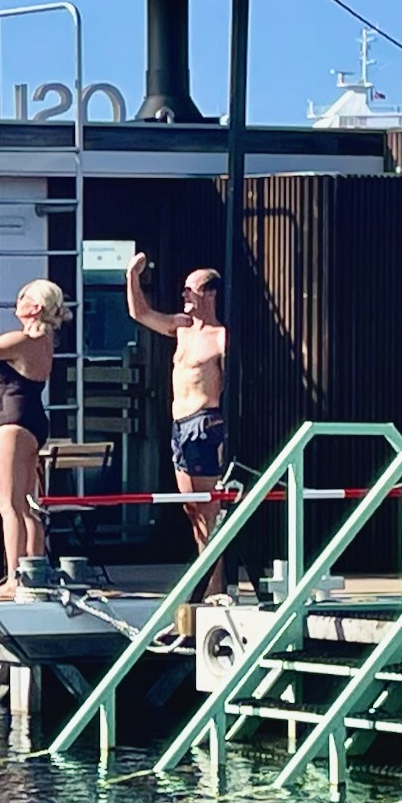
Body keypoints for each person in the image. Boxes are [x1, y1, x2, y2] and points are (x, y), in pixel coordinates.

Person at [127, 254, 231, 596]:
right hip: (179, 424)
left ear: (210, 293)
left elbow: (234, 384)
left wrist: (223, 428)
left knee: (209, 508)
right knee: (191, 509)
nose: (184, 294)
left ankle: (215, 586)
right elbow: (140, 313)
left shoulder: (220, 337)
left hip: (204, 422)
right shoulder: (181, 328)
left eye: (191, 289)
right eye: (184, 289)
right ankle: (206, 577)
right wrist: (132, 277)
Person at [0, 277, 65, 599]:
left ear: (37, 307)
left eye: (23, 297)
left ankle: (14, 579)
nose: (17, 301)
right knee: (27, 505)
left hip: (13, 425)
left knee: (9, 505)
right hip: (31, 423)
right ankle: (35, 574)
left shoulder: (23, 340)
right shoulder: (42, 341)